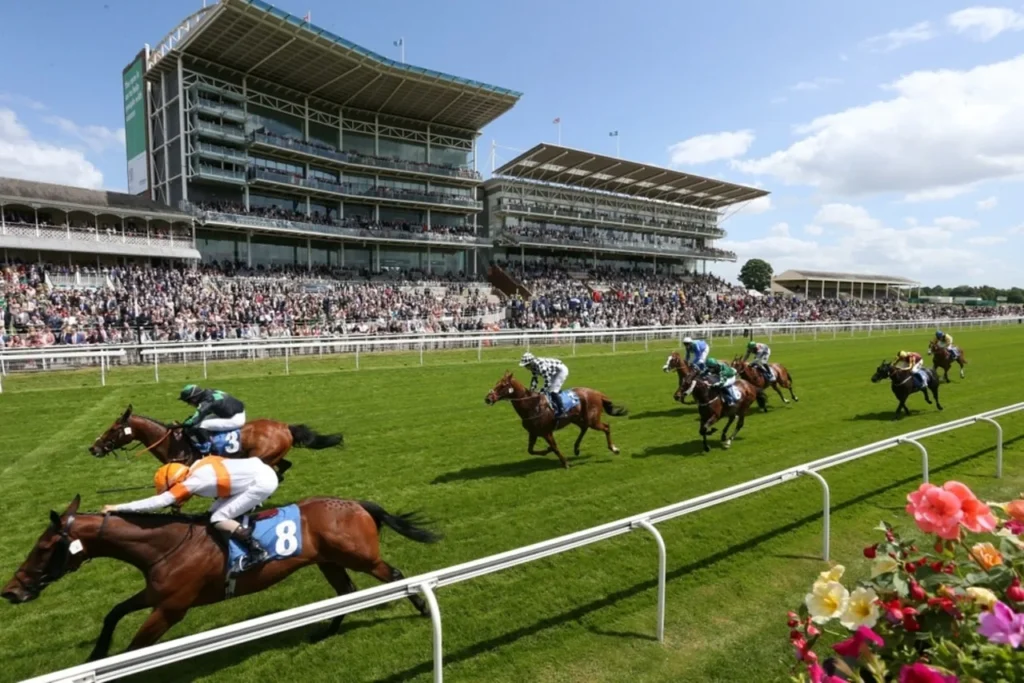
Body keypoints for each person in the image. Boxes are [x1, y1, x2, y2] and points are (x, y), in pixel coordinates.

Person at [102, 456, 279, 573]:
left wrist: (118, 507)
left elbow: (160, 502)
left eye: (172, 488)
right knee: (210, 513)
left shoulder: (194, 481)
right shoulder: (199, 465)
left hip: (261, 483)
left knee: (218, 518)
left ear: (176, 482)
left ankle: (256, 550)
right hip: (260, 470)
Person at [178, 384, 246, 455]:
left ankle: (208, 449)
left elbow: (199, 414)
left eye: (188, 401)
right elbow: (204, 412)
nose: (189, 404)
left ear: (193, 398)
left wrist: (188, 422)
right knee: (201, 421)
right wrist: (193, 419)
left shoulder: (207, 401)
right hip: (232, 412)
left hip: (235, 419)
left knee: (202, 425)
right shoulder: (208, 391)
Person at [519, 352, 570, 416]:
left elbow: (547, 381)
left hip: (561, 371)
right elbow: (535, 379)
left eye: (526, 365)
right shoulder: (533, 366)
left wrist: (541, 392)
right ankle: (555, 401)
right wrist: (531, 390)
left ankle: (562, 411)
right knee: (550, 389)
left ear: (531, 363)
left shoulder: (541, 367)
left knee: (553, 391)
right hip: (553, 372)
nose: (526, 367)